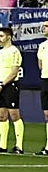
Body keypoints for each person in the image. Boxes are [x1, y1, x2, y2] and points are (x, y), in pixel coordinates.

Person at [0, 25, 24, 154]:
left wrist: (3, 84)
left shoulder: (14, 51)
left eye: (1, 36)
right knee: (1, 115)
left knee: (14, 114)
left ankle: (19, 146)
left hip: (10, 85)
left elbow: (14, 71)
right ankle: (2, 145)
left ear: (9, 37)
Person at [37, 21, 48, 156]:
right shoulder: (42, 46)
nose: (44, 28)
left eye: (47, 26)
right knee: (46, 114)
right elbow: (40, 65)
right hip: (45, 79)